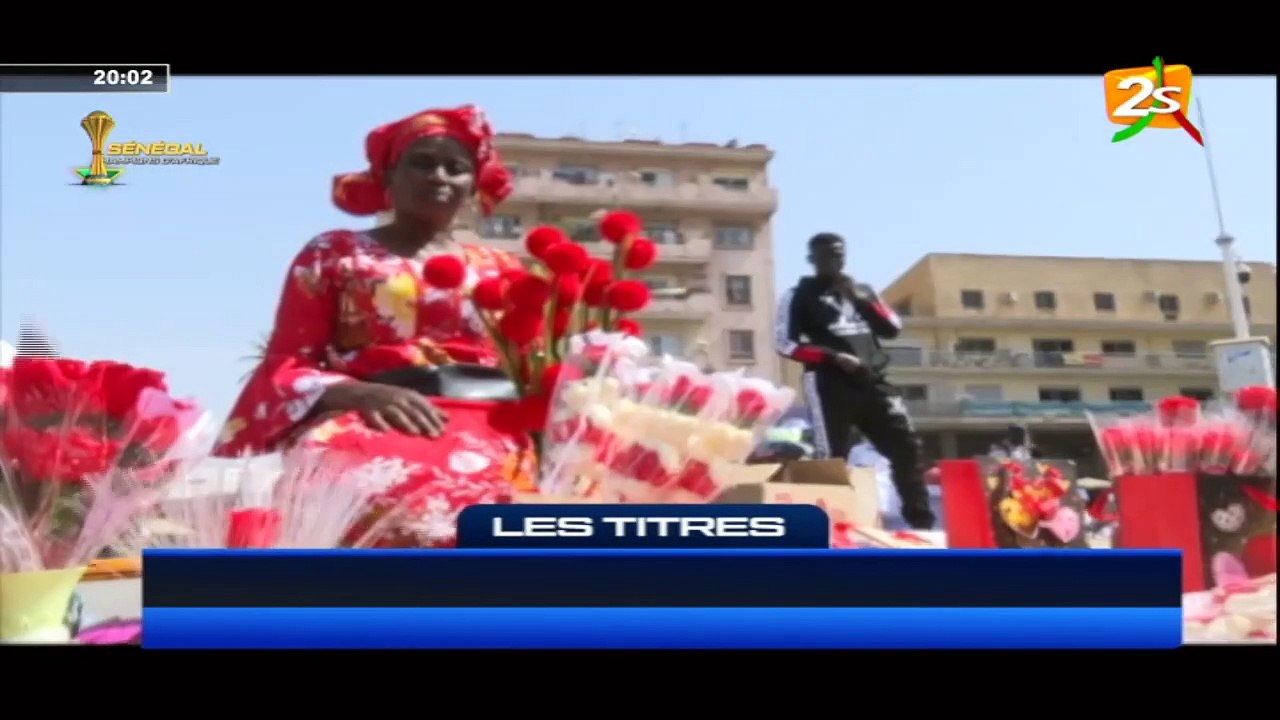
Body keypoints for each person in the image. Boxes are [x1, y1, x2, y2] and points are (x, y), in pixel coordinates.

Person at [213, 104, 536, 548]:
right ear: (387, 176)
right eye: (421, 163)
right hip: (371, 418)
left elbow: (531, 369)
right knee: (369, 507)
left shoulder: (504, 268)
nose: (439, 176)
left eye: (456, 168)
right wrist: (363, 393)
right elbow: (289, 361)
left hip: (494, 426)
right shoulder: (334, 251)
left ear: (473, 184)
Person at [774, 232, 935, 529]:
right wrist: (832, 357)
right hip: (829, 384)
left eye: (839, 254)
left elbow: (892, 328)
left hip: (874, 381)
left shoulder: (862, 290)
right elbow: (785, 344)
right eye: (826, 255)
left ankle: (921, 524)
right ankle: (831, 528)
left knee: (907, 446)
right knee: (831, 458)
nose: (834, 260)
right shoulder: (798, 294)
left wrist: (862, 300)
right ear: (812, 259)